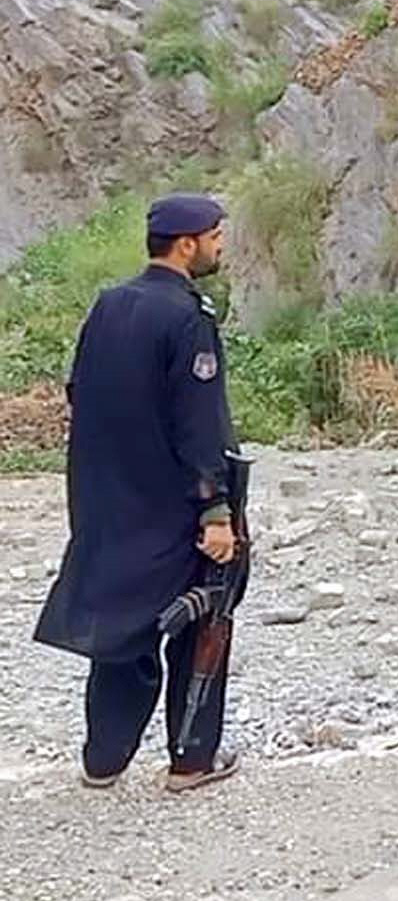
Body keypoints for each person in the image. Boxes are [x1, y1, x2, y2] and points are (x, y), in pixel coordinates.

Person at [33, 193, 243, 793]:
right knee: (205, 618)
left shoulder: (108, 306)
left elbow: (82, 394)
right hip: (174, 507)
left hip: (107, 503)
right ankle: (191, 760)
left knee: (121, 630)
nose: (220, 245)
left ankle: (104, 759)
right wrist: (216, 509)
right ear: (187, 244)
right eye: (215, 236)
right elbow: (198, 423)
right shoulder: (187, 319)